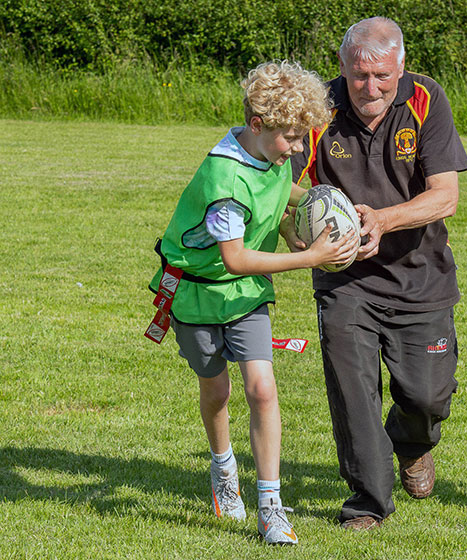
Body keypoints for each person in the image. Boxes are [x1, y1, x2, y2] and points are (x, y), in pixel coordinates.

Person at [146, 60, 358, 545]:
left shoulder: (271, 155)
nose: (300, 148)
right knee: (217, 391)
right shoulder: (225, 183)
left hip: (244, 299)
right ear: (258, 125)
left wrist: (319, 210)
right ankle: (223, 471)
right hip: (198, 293)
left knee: (262, 389)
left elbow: (281, 192)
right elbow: (237, 258)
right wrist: (313, 258)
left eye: (305, 137)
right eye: (292, 138)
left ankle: (271, 504)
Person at [287, 17, 467, 530]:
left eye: (382, 77)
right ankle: (368, 501)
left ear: (401, 67)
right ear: (342, 67)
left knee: (427, 396)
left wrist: (381, 219)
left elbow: (446, 195)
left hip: (422, 276)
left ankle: (413, 445)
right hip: (345, 279)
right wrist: (302, 232)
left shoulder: (426, 100)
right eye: (359, 76)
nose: (370, 88)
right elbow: (286, 188)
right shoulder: (318, 108)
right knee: (353, 392)